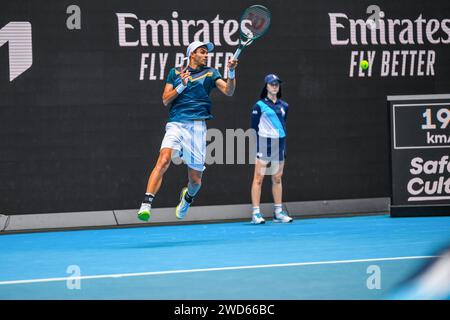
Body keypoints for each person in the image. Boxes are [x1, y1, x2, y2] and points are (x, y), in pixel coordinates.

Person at [137, 41, 238, 221]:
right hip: (176, 123)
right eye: (202, 52)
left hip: (198, 127)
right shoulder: (175, 73)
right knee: (164, 159)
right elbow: (165, 99)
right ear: (192, 54)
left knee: (195, 181)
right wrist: (181, 85)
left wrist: (231, 72)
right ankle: (146, 204)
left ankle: (187, 198)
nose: (206, 55)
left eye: (207, 53)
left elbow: (229, 91)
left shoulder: (211, 73)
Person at [250, 74, 293, 224]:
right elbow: (254, 126)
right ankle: (256, 213)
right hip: (264, 143)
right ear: (266, 86)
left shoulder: (284, 106)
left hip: (280, 144)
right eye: (271, 84)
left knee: (277, 178)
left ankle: (278, 212)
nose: (274, 86)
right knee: (259, 179)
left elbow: (282, 123)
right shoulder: (259, 105)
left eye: (277, 84)